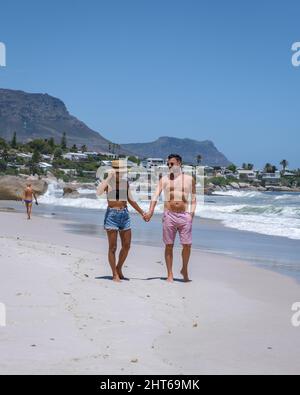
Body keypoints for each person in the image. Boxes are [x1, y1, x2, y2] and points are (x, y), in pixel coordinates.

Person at [145, 154, 196, 282]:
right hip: (169, 215)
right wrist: (150, 212)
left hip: (185, 216)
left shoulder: (190, 179)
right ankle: (170, 274)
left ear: (179, 163)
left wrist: (191, 215)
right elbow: (155, 196)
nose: (169, 166)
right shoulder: (164, 180)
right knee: (169, 245)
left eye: (171, 164)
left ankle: (184, 269)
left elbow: (194, 199)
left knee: (187, 245)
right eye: (168, 164)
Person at [96, 160, 146, 282]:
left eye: (121, 171)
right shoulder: (108, 182)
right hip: (112, 216)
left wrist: (142, 213)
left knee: (127, 245)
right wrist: (109, 177)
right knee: (112, 247)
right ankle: (114, 274)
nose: (120, 173)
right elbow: (99, 192)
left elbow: (130, 199)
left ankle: (119, 268)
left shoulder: (125, 183)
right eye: (117, 171)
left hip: (124, 215)